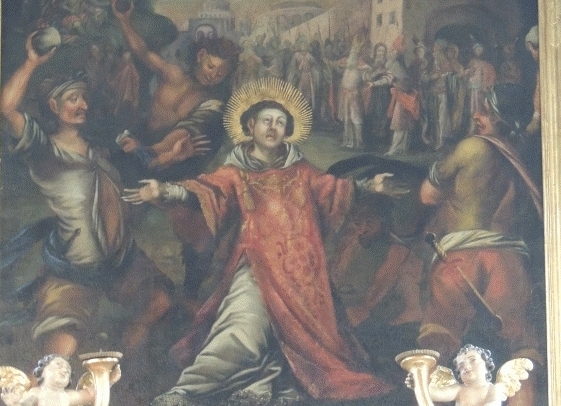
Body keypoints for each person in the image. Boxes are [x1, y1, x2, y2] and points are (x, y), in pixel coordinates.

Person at [123, 79, 401, 406]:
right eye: (266, 120)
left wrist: (370, 186)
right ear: (250, 126)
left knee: (300, 343)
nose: (273, 127)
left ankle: (264, 383)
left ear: (288, 131)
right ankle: (185, 391)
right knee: (240, 328)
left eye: (280, 122)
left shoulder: (301, 170)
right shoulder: (236, 172)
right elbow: (207, 191)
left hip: (302, 276)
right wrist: (165, 190)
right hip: (255, 266)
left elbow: (334, 189)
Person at [0, 33, 174, 359]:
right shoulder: (44, 148)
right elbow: (7, 108)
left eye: (83, 98)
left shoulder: (97, 149)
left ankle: (120, 371)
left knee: (160, 300)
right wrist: (31, 63)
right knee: (60, 350)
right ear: (54, 106)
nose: (82, 105)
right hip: (75, 268)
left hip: (120, 261)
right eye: (72, 99)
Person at [416, 85, 543, 406]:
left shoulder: (471, 147)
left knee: (438, 338)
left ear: (501, 117)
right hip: (507, 262)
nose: (476, 115)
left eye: (485, 110)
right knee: (522, 348)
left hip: (458, 260)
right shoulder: (523, 153)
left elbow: (427, 196)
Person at [112, 0, 239, 300]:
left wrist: (155, 153)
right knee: (117, 217)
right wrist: (124, 21)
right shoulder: (173, 74)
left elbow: (183, 136)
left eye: (220, 73)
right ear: (201, 56)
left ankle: (190, 294)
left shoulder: (212, 103)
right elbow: (141, 51)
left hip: (170, 162)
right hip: (135, 153)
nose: (212, 75)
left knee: (195, 231)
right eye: (211, 66)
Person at [0, 354, 121, 406]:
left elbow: (93, 394)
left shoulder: (69, 395)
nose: (64, 370)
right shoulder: (37, 392)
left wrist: (109, 381)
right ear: (43, 371)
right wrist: (14, 402)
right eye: (58, 364)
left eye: (68, 369)